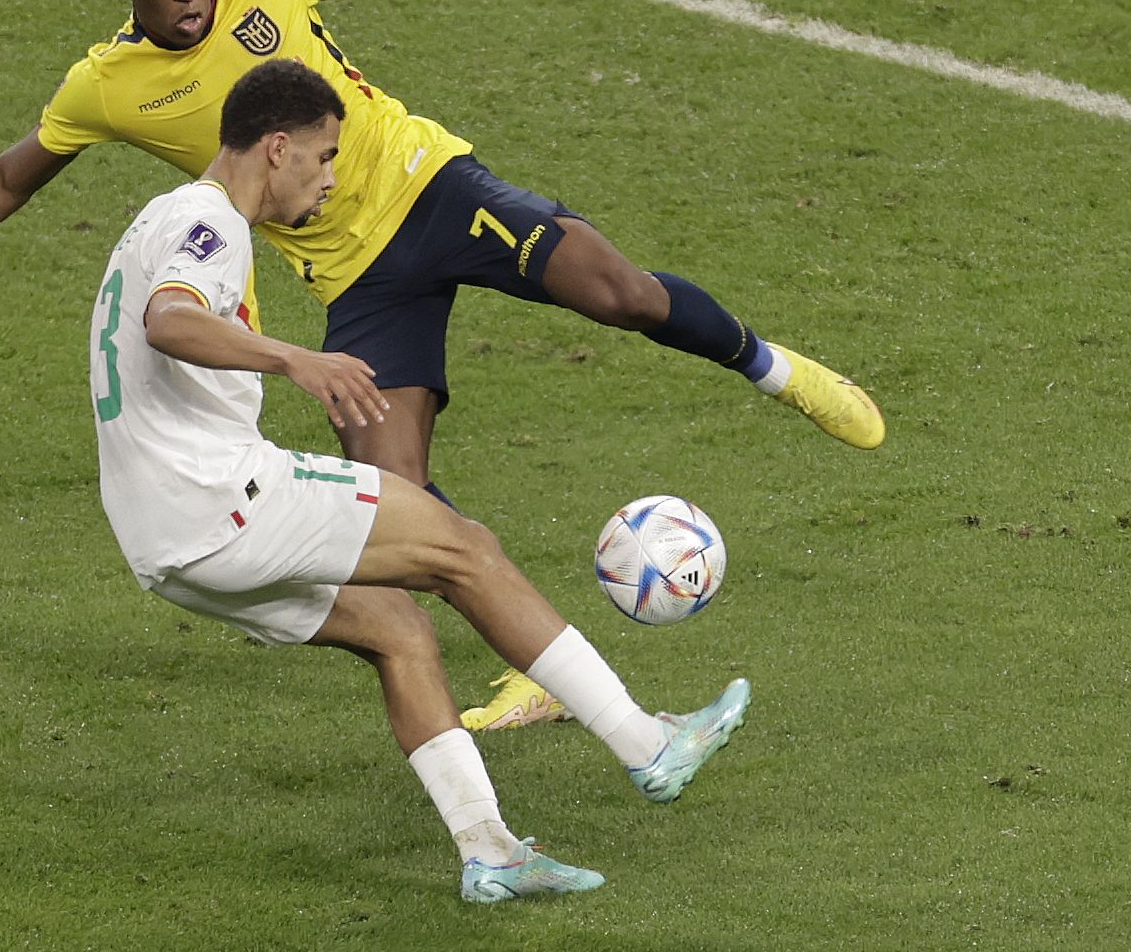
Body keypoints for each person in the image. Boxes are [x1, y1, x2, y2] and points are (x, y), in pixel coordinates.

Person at [0, 0, 879, 732]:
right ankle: (540, 670)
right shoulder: (106, 84)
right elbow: (11, 177)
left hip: (432, 187)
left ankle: (781, 371)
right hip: (352, 280)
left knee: (621, 292)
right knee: (400, 510)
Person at [89, 59, 750, 901]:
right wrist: (299, 359)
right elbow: (171, 319)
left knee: (396, 630)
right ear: (278, 148)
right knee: (465, 551)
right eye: (324, 158)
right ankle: (648, 746)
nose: (331, 181)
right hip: (225, 498)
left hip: (159, 542)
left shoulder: (160, 218)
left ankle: (493, 853)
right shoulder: (210, 223)